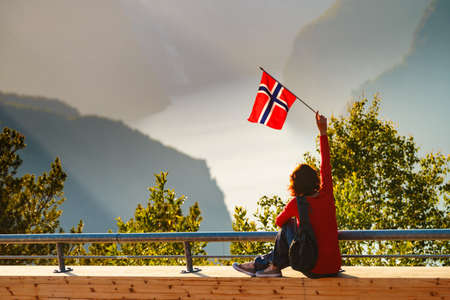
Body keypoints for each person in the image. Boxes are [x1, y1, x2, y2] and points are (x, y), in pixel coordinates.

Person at [233, 112, 341, 277]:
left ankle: (267, 265)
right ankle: (267, 265)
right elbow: (326, 165)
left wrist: (296, 220)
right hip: (333, 266)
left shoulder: (296, 204)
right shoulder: (326, 194)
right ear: (314, 180)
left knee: (287, 226)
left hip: (313, 268)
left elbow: (279, 221)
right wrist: (323, 133)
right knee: (293, 232)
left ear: (295, 185)